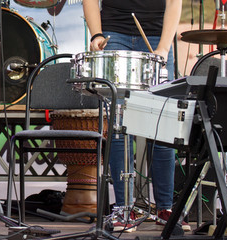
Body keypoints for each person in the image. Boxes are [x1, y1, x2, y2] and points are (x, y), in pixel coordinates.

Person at [83, 0, 191, 233]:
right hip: (114, 33)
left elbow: (174, 2)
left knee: (163, 127)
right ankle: (124, 208)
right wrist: (96, 34)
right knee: (120, 125)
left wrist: (163, 47)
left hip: (156, 35)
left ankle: (165, 209)